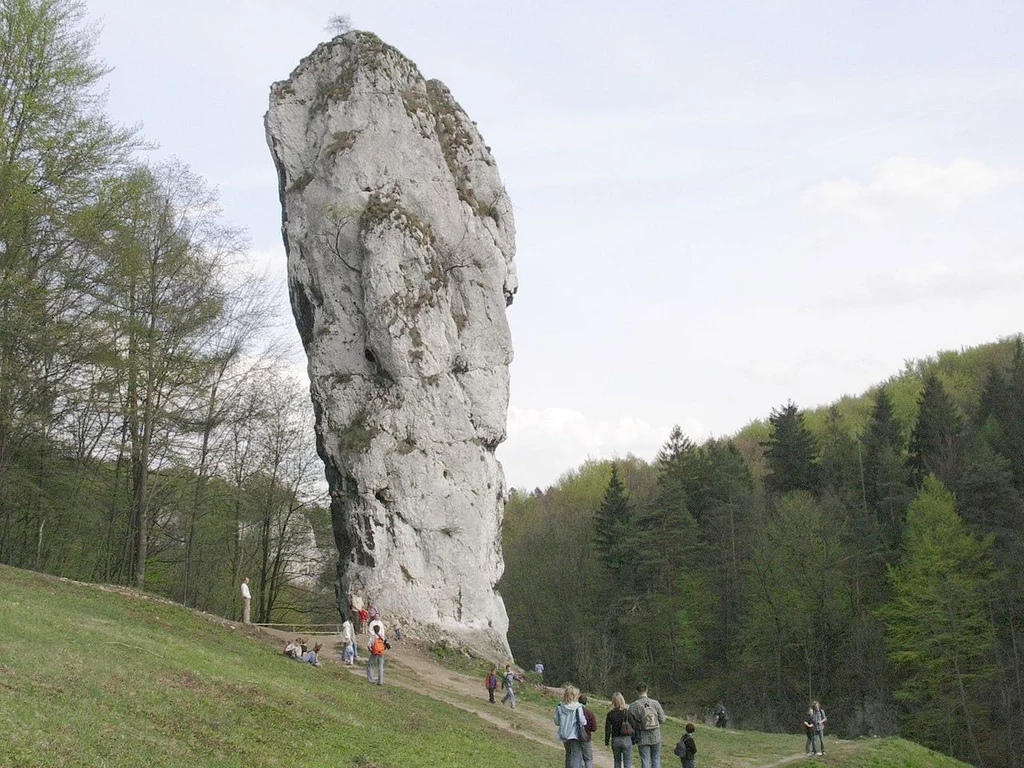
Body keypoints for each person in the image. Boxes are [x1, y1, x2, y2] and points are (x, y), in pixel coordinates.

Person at [629, 684, 666, 768]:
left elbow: (631, 722)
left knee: (645, 759)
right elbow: (662, 719)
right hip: (655, 735)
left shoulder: (633, 705)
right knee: (656, 758)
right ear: (647, 690)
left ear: (637, 692)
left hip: (642, 736)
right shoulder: (655, 703)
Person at [554, 684, 587, 768]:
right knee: (575, 756)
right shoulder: (578, 707)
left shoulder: (560, 706)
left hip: (564, 734)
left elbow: (557, 721)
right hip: (574, 734)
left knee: (568, 755)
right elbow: (582, 721)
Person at [605, 692, 635, 768]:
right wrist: (634, 738)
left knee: (617, 761)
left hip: (615, 739)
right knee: (627, 762)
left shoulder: (610, 714)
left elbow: (607, 728)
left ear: (613, 701)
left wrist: (607, 741)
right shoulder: (627, 712)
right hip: (626, 739)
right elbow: (634, 725)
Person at [579, 694, 597, 768]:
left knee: (577, 758)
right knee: (588, 759)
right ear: (586, 703)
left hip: (575, 736)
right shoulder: (589, 713)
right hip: (586, 736)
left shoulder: (575, 711)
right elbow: (594, 728)